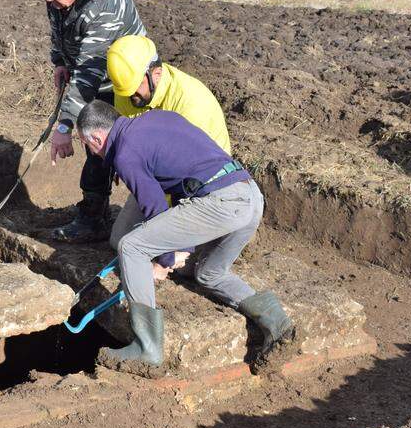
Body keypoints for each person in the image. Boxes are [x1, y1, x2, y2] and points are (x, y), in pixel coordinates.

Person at [76, 99, 295, 373]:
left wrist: (164, 260)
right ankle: (277, 323)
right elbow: (183, 181)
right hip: (249, 195)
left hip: (222, 203)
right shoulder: (157, 119)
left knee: (131, 246)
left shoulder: (125, 153)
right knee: (210, 273)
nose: (91, 152)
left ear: (96, 138)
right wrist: (183, 249)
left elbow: (154, 206)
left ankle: (147, 347)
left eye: (87, 145)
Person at [38, 0, 145, 243]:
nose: (48, 0)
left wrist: (64, 127)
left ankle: (136, 217)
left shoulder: (103, 8)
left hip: (126, 83)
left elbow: (88, 75)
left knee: (106, 142)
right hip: (94, 70)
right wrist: (60, 59)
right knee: (97, 144)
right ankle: (96, 213)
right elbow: (60, 28)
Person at [106, 35, 233, 275]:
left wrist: (165, 240)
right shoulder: (128, 91)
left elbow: (192, 179)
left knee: (183, 266)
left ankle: (215, 245)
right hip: (157, 180)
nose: (130, 98)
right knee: (121, 241)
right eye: (125, 91)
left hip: (202, 189)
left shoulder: (192, 105)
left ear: (154, 74)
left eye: (135, 91)